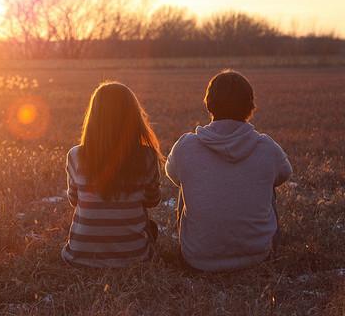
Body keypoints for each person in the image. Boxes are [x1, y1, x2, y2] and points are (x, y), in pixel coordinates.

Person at [165, 70, 292, 272]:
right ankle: (254, 239)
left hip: (197, 259)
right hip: (259, 257)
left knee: (185, 181)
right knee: (268, 182)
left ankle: (204, 241)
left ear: (208, 103)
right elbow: (284, 174)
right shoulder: (267, 147)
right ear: (250, 106)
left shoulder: (186, 146)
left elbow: (172, 174)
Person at [61, 82, 163, 268]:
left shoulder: (75, 155)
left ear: (93, 118)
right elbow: (152, 200)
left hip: (79, 256)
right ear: (133, 117)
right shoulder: (147, 156)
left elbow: (74, 199)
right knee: (152, 228)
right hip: (135, 257)